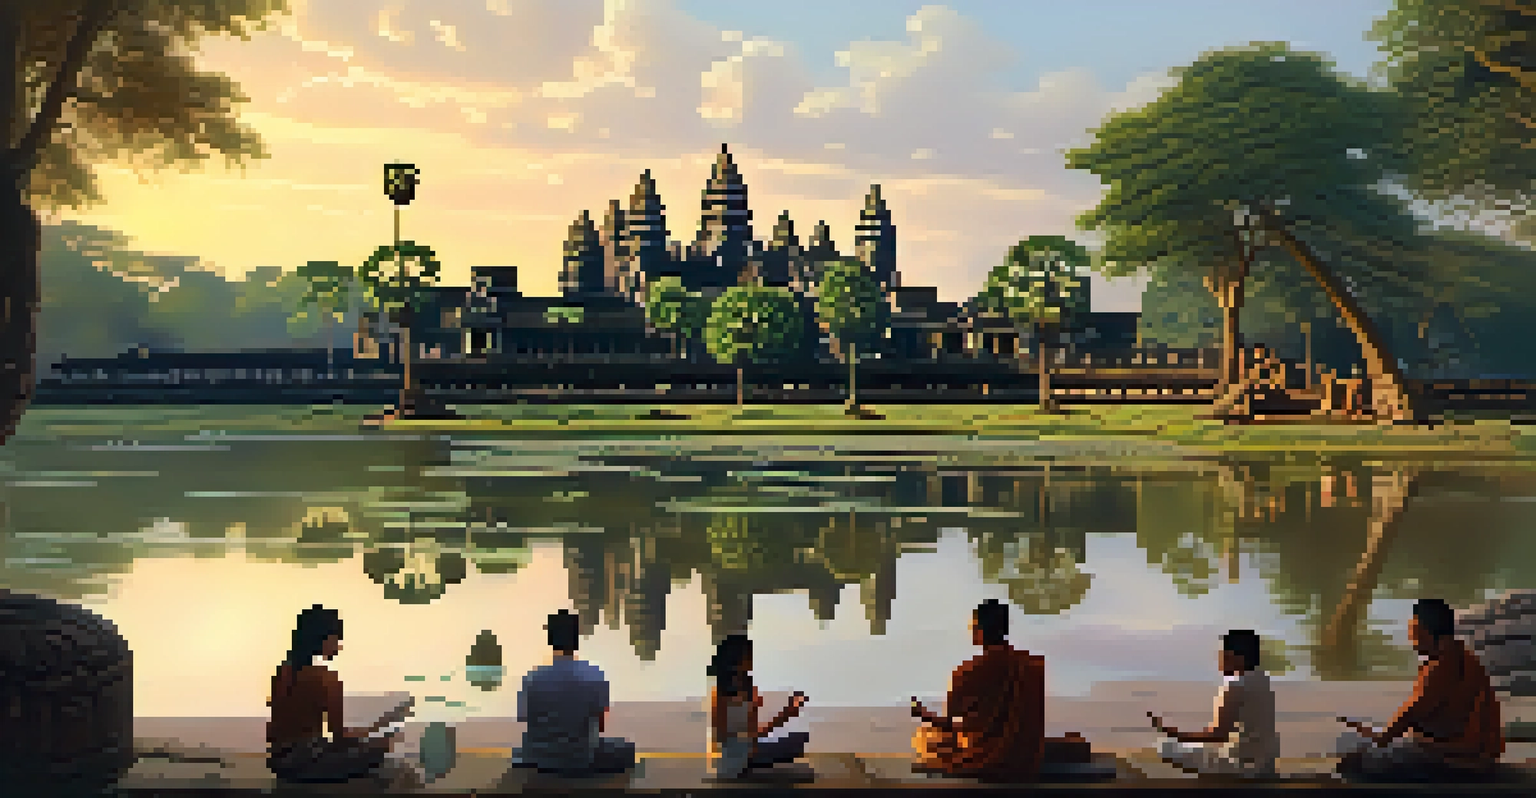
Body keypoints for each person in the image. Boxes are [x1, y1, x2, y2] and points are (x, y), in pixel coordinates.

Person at [1335, 599, 1503, 781]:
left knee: (1352, 755)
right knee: (1362, 746)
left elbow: (1413, 712)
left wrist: (1381, 738)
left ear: (1428, 631)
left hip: (1455, 759)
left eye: (1414, 629)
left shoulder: (1443, 665)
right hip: (1458, 753)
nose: (1411, 637)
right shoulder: (1460, 657)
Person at [266, 605, 413, 784]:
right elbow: (339, 738)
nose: (339, 646)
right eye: (337, 639)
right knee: (383, 749)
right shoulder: (327, 678)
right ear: (323, 639)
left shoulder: (283, 673)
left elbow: (280, 730)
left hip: (279, 763)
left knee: (370, 746)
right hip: (306, 764)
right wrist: (378, 734)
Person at [909, 599, 1050, 782]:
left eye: (973, 627)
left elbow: (949, 723)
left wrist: (922, 713)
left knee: (923, 737)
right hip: (1025, 761)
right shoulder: (1033, 666)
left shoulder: (967, 672)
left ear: (980, 631)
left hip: (984, 760)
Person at [512, 609, 636, 775]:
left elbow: (524, 718)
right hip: (579, 757)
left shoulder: (532, 678)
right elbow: (600, 725)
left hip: (537, 756)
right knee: (626, 749)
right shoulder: (594, 674)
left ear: (551, 640)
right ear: (576, 640)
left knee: (518, 752)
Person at [1149, 629, 1279, 778]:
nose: (1220, 661)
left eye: (1223, 655)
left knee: (1165, 746)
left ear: (1234, 657)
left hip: (1239, 766)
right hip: (1264, 766)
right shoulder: (1262, 680)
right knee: (1201, 749)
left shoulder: (1235, 685)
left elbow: (1219, 734)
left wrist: (1177, 735)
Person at [705, 634, 811, 779]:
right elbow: (722, 735)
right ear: (736, 658)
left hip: (750, 750)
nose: (751, 659)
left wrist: (787, 713)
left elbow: (756, 733)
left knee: (799, 739)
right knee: (792, 746)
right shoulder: (720, 692)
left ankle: (758, 761)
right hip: (734, 757)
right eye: (748, 655)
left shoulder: (748, 687)